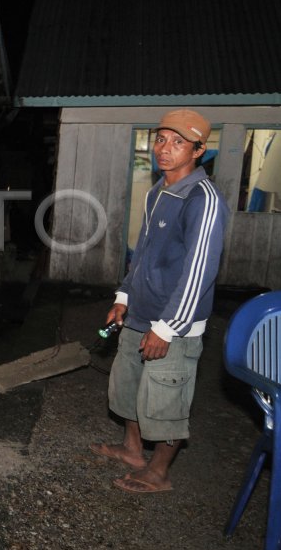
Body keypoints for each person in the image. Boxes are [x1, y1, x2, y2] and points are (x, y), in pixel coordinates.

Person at [90, 109, 228, 493]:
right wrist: (123, 296)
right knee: (131, 385)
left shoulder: (203, 199)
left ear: (199, 150)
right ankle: (134, 450)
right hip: (140, 314)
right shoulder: (157, 193)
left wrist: (167, 328)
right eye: (161, 139)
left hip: (174, 324)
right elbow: (144, 252)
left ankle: (159, 472)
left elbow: (199, 270)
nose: (165, 150)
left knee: (166, 398)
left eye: (178, 143)